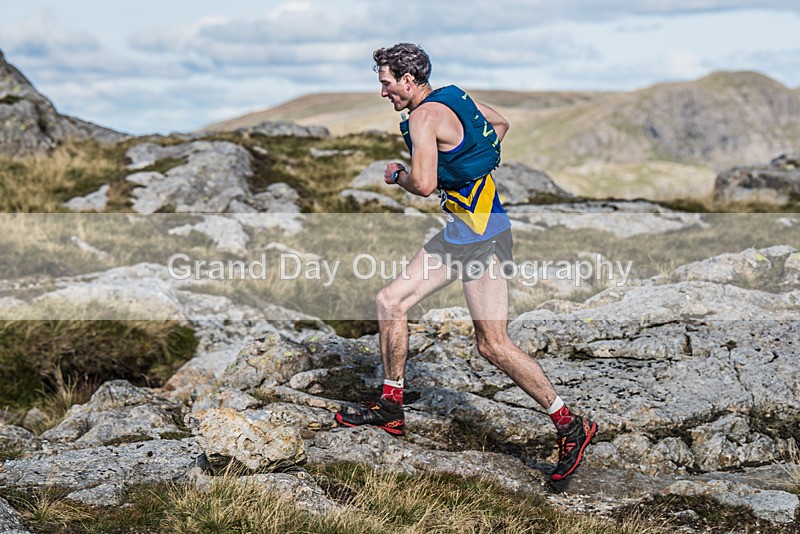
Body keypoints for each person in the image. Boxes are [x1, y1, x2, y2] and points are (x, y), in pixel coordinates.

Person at [335, 42, 597, 482]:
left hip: (478, 236)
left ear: (407, 79)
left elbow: (421, 183)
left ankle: (572, 426)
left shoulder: (421, 116)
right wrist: (469, 166)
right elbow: (499, 123)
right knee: (391, 302)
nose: (383, 93)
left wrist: (397, 175)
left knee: (492, 344)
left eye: (385, 84)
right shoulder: (454, 96)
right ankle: (391, 406)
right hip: (473, 229)